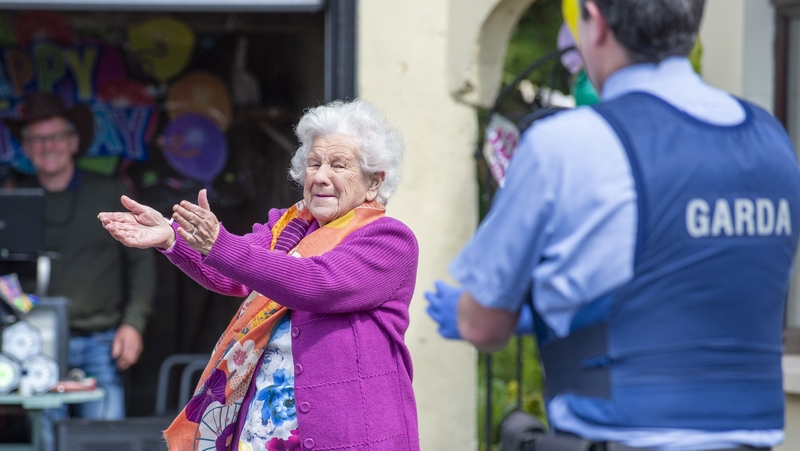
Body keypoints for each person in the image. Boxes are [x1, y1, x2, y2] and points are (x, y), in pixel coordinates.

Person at [426, 1, 800, 450]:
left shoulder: (564, 145)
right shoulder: (771, 140)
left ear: (596, 21)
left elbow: (482, 326)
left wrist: (490, 312)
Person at [98, 99, 420, 451]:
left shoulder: (389, 239)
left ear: (374, 182)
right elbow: (234, 271)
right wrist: (173, 237)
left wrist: (218, 244)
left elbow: (316, 282)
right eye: (314, 163)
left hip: (352, 435)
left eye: (338, 165)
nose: (320, 176)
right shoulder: (289, 226)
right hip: (264, 432)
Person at [1, 93, 156, 444]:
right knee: (46, 442)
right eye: (37, 139)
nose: (47, 146)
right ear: (26, 147)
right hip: (35, 343)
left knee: (106, 441)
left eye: (56, 136)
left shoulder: (109, 192)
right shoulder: (14, 199)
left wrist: (133, 324)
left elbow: (141, 262)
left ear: (74, 142)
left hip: (101, 340)